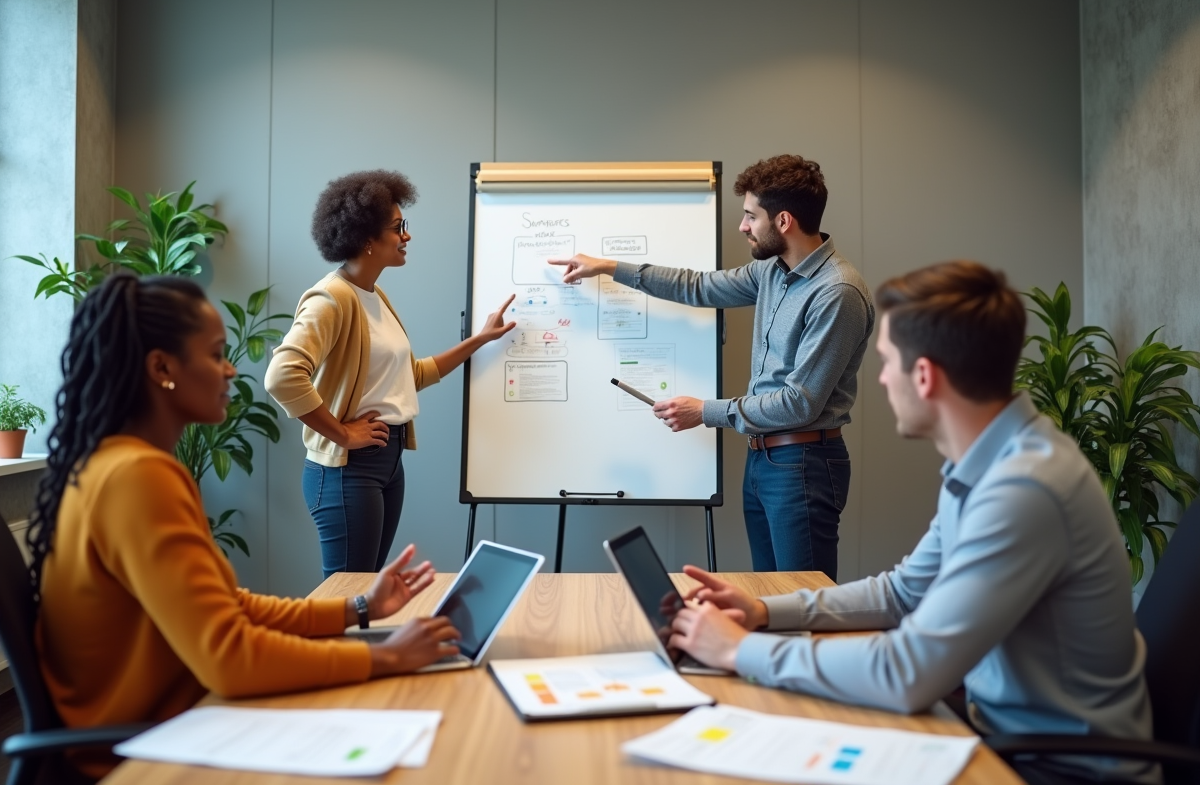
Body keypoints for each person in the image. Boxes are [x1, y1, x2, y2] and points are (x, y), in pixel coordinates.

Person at [666, 261, 1158, 785]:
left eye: (885, 363)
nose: (879, 379)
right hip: (1000, 740)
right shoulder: (990, 462)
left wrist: (739, 650)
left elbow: (910, 672)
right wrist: (762, 611)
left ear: (924, 376)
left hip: (1054, 770)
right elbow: (903, 594)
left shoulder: (1025, 489)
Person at [28, 273, 463, 780]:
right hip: (143, 754)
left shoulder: (118, 463)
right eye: (215, 355)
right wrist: (386, 660)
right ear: (162, 368)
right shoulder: (137, 477)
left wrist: (359, 608)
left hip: (178, 723)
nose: (231, 369)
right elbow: (229, 658)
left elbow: (227, 607)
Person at [551, 155, 872, 579]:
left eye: (750, 216)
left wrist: (704, 411)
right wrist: (610, 267)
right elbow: (698, 286)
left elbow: (800, 404)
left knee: (804, 601)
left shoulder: (837, 292)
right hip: (764, 459)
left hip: (804, 461)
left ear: (783, 221)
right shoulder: (773, 273)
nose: (742, 226)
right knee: (771, 598)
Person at [265, 170, 515, 579]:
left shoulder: (373, 294)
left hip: (387, 462)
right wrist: (343, 434)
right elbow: (282, 376)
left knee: (363, 594)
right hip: (347, 469)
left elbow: (410, 376)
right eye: (398, 227)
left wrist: (480, 340)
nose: (407, 236)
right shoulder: (332, 299)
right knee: (347, 597)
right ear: (367, 239)